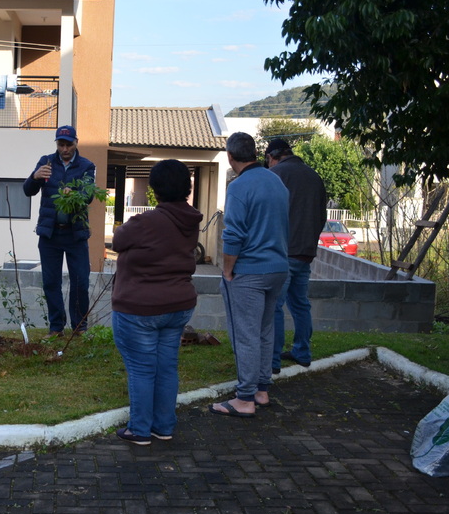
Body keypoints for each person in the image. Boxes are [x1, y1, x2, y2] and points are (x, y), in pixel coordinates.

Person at [111, 160, 202, 445]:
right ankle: (163, 426)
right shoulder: (191, 220)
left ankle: (139, 430)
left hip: (140, 308)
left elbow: (117, 240)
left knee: (142, 368)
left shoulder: (145, 222)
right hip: (178, 306)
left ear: (155, 189)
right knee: (166, 367)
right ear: (186, 188)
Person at [211, 132, 289, 418]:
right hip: (278, 269)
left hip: (250, 272)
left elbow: (233, 234)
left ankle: (244, 399)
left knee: (245, 334)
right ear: (255, 154)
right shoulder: (276, 180)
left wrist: (227, 271)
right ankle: (261, 390)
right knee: (264, 330)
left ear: (230, 157)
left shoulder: (239, 186)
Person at [23, 125, 98, 337]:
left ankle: (79, 327)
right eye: (61, 144)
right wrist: (35, 177)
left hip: (75, 234)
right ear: (56, 144)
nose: (64, 149)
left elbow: (88, 195)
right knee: (51, 282)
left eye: (68, 144)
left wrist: (73, 193)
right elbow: (28, 191)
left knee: (81, 281)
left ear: (76, 142)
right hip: (50, 234)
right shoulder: (45, 162)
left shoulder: (86, 166)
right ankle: (56, 328)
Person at [265, 138, 327, 373]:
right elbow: (322, 216)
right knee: (301, 304)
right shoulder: (314, 175)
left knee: (275, 306)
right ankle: (302, 352)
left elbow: (267, 214)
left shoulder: (276, 175)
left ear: (272, 156)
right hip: (306, 252)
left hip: (282, 251)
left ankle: (272, 361)